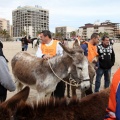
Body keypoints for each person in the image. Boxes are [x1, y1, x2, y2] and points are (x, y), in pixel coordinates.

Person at [36, 30, 65, 99]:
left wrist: (54, 58)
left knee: (59, 85)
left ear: (46, 36)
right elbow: (37, 54)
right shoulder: (41, 45)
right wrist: (43, 56)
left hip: (56, 69)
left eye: (41, 36)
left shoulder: (57, 43)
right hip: (45, 70)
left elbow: (62, 54)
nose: (40, 38)